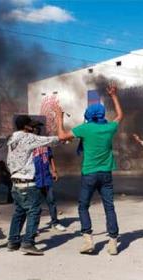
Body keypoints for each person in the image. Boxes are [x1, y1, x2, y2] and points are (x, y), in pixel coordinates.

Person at [55, 83, 123, 255]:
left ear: (89, 116)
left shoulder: (85, 128)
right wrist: (114, 95)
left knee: (83, 206)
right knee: (109, 206)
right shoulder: (109, 128)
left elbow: (62, 136)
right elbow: (120, 115)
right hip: (106, 173)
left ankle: (88, 240)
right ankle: (113, 242)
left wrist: (58, 117)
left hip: (89, 174)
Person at [6, 115, 60, 255]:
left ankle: (13, 241)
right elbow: (53, 140)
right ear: (26, 127)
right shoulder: (28, 137)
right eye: (31, 125)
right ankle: (28, 242)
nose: (35, 128)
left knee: (19, 212)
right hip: (27, 182)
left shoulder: (12, 138)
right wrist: (64, 134)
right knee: (34, 211)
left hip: (15, 182)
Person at [32, 123, 66, 232]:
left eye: (37, 130)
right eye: (34, 130)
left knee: (51, 200)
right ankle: (34, 227)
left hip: (46, 176)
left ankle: (55, 222)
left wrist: (54, 171)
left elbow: (51, 157)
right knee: (35, 204)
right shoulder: (29, 144)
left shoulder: (45, 143)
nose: (36, 131)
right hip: (34, 177)